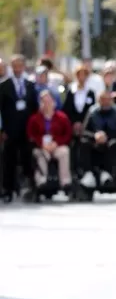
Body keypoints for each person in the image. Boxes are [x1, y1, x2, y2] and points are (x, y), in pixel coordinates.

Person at [1, 54, 40, 200]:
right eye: (14, 66)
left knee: (28, 159)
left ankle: (31, 188)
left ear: (24, 66)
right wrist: (2, 130)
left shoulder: (30, 85)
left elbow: (35, 109)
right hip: (10, 130)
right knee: (9, 161)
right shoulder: (4, 86)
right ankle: (8, 190)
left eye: (20, 65)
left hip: (27, 129)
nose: (17, 69)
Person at [26, 89, 73, 192]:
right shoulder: (34, 119)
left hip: (57, 146)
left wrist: (56, 143)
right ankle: (41, 180)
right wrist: (42, 144)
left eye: (49, 101)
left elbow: (68, 134)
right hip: (41, 147)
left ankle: (65, 182)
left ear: (53, 102)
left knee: (65, 151)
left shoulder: (62, 117)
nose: (47, 104)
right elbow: (31, 135)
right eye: (44, 102)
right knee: (39, 154)